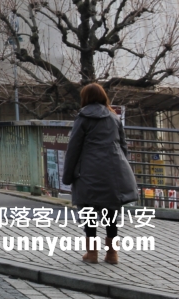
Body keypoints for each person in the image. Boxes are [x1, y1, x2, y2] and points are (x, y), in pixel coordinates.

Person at [61, 83, 138, 265]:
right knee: (111, 213)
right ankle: (112, 254)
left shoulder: (83, 117)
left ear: (85, 98)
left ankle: (92, 254)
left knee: (88, 211)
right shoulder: (113, 117)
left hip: (88, 172)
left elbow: (73, 148)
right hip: (113, 170)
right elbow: (123, 145)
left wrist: (68, 175)